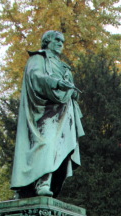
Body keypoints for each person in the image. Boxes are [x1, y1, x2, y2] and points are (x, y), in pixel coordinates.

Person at [11, 31, 84, 198]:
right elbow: (35, 77)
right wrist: (56, 82)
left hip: (65, 114)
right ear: (47, 41)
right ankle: (39, 183)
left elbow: (73, 92)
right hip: (45, 112)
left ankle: (49, 184)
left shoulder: (64, 67)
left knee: (62, 151)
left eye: (62, 41)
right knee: (47, 144)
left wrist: (73, 93)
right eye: (57, 40)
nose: (60, 44)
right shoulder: (38, 58)